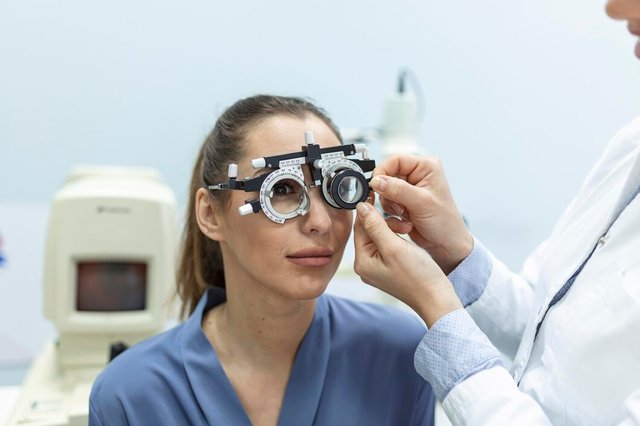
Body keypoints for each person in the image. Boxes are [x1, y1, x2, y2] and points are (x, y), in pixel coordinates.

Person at [352, 1, 640, 424]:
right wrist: (456, 254)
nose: (614, 11)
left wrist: (437, 307)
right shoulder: (630, 145)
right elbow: (545, 329)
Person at [88, 95, 435, 426]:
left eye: (335, 188)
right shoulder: (131, 395)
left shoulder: (399, 353)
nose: (321, 222)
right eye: (282, 190)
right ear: (210, 214)